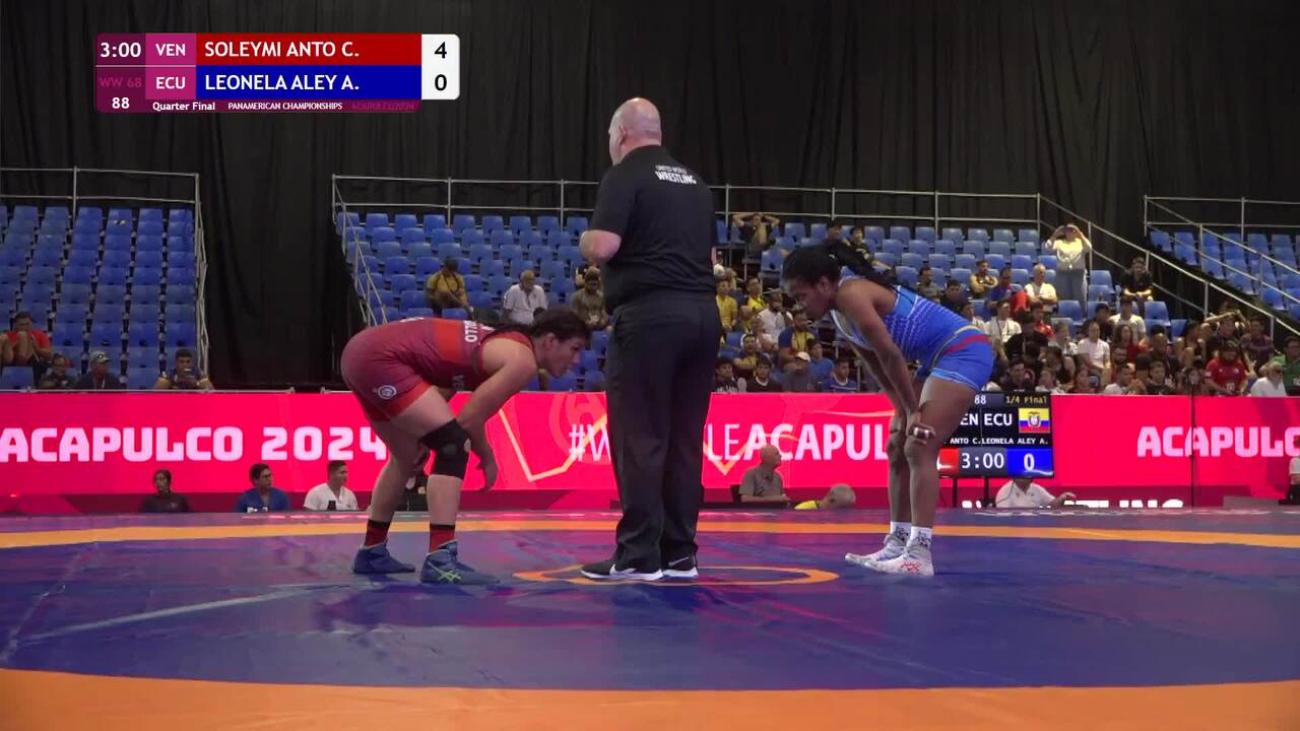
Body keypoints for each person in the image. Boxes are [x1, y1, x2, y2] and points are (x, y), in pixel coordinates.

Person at [782, 241, 994, 577]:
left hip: (964, 350)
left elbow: (892, 355)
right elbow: (875, 364)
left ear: (823, 284)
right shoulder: (838, 313)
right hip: (937, 357)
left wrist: (913, 411)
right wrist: (902, 410)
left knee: (919, 445)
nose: (799, 306)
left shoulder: (851, 294)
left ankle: (919, 554)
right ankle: (897, 542)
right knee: (896, 446)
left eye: (801, 296)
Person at [577, 98, 719, 582]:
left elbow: (603, 246)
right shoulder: (696, 183)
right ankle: (680, 553)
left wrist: (585, 241)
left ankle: (638, 553)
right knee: (684, 438)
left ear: (620, 134)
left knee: (640, 435)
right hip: (703, 315)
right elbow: (711, 256)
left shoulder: (625, 174)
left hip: (650, 316)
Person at [341, 309, 589, 584]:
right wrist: (488, 456)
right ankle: (440, 559)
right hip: (380, 359)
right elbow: (469, 419)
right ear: (551, 341)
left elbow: (441, 387)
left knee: (406, 455)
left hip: (361, 352)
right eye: (575, 348)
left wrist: (423, 434)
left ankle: (372, 551)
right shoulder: (523, 360)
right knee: (453, 445)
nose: (577, 360)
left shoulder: (503, 343)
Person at [1045, 223, 1091, 304]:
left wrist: (1080, 235)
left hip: (1078, 274)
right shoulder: (1059, 242)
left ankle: (1081, 312)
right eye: (1068, 230)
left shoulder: (1081, 242)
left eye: (1073, 230)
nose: (1070, 232)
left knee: (1080, 299)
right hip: (1062, 274)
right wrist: (1054, 235)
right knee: (1063, 300)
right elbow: (1048, 247)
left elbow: (1089, 248)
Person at [6, 311, 52, 377]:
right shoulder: (8, 335)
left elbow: (49, 356)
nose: (25, 327)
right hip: (12, 363)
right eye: (22, 325)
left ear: (32, 323)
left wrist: (37, 349)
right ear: (16, 325)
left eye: (27, 324)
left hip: (33, 364)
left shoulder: (40, 334)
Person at [994, 477, 1075, 509]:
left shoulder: (1037, 489)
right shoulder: (1005, 492)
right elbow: (1003, 516)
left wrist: (1062, 498)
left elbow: (1053, 504)